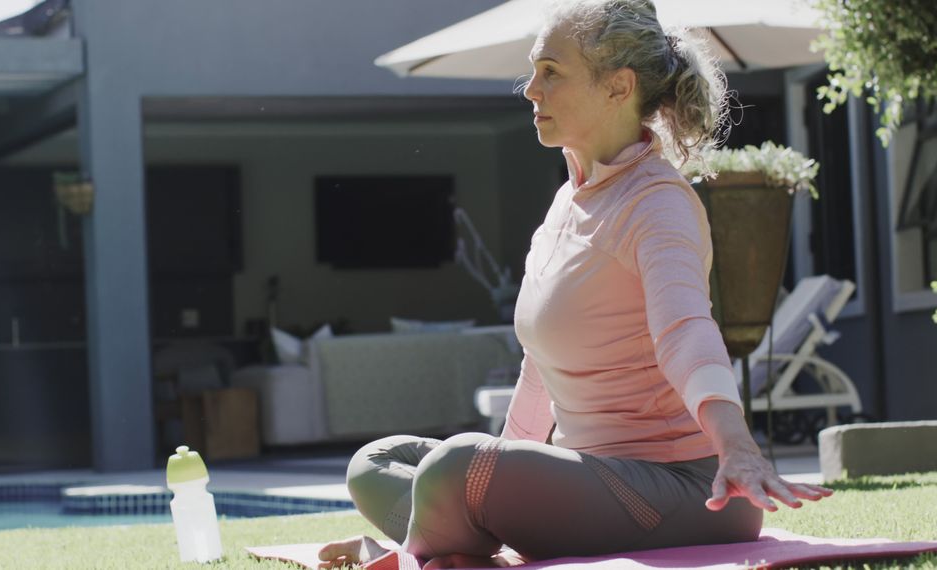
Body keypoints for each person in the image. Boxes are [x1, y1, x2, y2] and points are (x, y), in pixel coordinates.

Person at [318, 1, 832, 568]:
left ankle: (419, 554)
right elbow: (542, 367)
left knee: (454, 468)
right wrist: (500, 464)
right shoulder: (569, 202)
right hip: (588, 482)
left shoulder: (657, 204)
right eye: (534, 70)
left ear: (618, 87)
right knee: (379, 461)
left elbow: (687, 331)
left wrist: (736, 446)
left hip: (683, 491)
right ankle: (463, 545)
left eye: (552, 72)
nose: (530, 89)